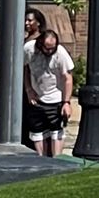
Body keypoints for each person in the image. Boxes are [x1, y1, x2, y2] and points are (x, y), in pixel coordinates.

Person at [23, 19, 73, 156]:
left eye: (53, 48)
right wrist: (29, 90)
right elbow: (25, 69)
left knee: (56, 131)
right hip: (37, 97)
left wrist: (66, 102)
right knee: (37, 131)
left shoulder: (60, 53)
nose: (50, 51)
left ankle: (56, 160)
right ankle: (42, 159)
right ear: (40, 44)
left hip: (56, 98)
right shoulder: (29, 49)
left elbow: (67, 78)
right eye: (47, 48)